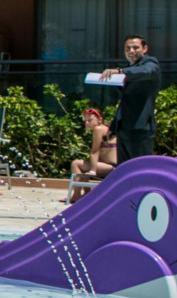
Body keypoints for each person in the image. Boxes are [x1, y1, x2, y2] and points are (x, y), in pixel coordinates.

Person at [100, 35, 160, 164]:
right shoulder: (129, 69)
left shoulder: (150, 64)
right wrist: (114, 126)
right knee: (124, 168)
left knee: (141, 166)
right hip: (124, 128)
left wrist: (120, 71)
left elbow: (145, 71)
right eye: (127, 48)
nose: (131, 51)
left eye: (135, 47)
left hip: (140, 127)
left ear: (145, 49)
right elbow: (125, 101)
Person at [66, 109, 118, 203]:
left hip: (111, 167)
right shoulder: (106, 129)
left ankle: (76, 196)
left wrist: (93, 170)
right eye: (85, 121)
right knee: (84, 165)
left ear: (100, 120)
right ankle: (86, 193)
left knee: (76, 164)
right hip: (112, 166)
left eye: (90, 120)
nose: (87, 123)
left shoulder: (98, 129)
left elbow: (95, 151)